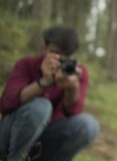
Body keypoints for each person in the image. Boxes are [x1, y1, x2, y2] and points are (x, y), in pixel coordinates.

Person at [0, 26, 100, 161]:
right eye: (55, 53)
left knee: (88, 125)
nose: (59, 60)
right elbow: (6, 104)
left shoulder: (77, 72)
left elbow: (72, 114)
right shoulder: (27, 64)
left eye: (66, 56)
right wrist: (43, 82)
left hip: (46, 138)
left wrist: (72, 87)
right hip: (11, 134)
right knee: (42, 106)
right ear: (45, 47)